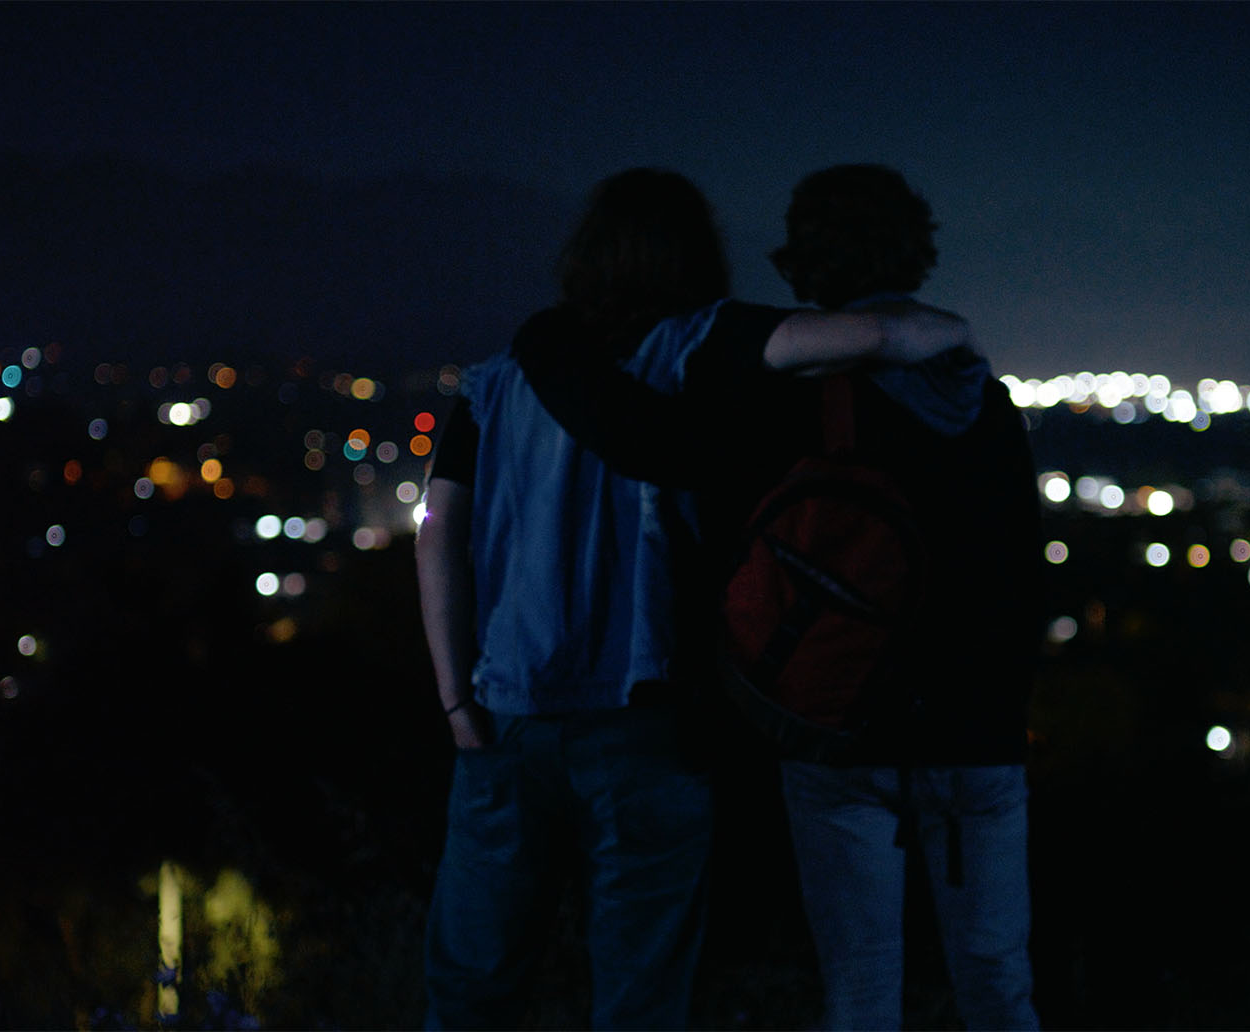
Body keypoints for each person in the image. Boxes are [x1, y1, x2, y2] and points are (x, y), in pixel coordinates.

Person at [415, 167, 971, 1030]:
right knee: (642, 994)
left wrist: (456, 698)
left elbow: (437, 532)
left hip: (506, 712)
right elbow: (882, 335)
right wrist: (951, 329)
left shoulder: (498, 381)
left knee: (472, 987)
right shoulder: (701, 346)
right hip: (648, 717)